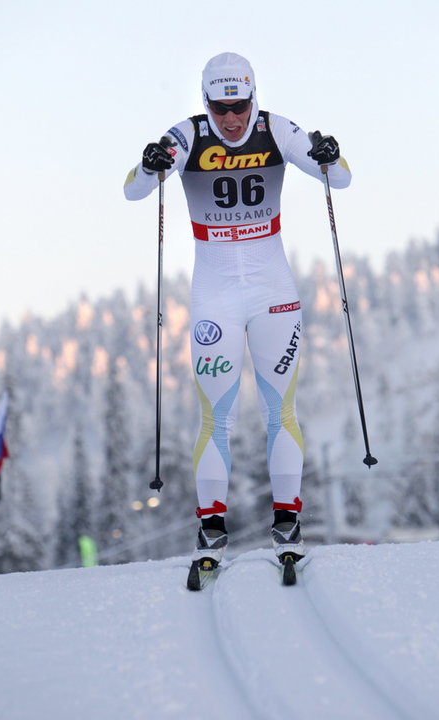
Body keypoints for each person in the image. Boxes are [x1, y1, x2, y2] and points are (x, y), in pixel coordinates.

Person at [124, 52, 351, 568]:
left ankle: (288, 522)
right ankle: (211, 531)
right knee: (215, 418)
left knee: (281, 411)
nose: (232, 118)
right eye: (221, 107)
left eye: (241, 105)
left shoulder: (277, 130)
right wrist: (148, 164)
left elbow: (340, 181)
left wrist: (331, 156)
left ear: (254, 98)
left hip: (275, 293)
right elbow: (133, 190)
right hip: (215, 299)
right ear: (205, 103)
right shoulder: (186, 135)